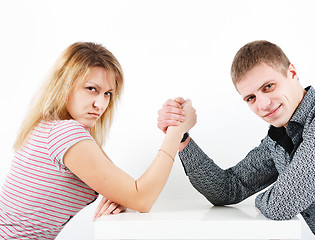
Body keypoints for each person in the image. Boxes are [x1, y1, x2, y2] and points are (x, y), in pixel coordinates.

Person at [157, 40, 315, 240]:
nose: (263, 105)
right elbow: (228, 189)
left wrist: (264, 200)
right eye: (250, 98)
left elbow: (283, 204)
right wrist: (180, 136)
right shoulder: (279, 137)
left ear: (292, 72)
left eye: (268, 86)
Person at [0, 42, 196, 239]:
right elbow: (142, 198)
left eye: (107, 94)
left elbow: (130, 191)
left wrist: (124, 196)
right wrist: (176, 130)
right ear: (64, 85)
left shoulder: (48, 126)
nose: (100, 104)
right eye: (92, 89)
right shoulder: (64, 133)